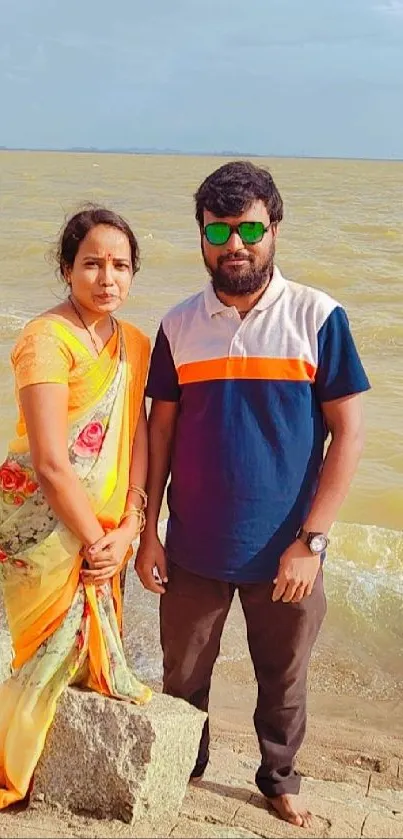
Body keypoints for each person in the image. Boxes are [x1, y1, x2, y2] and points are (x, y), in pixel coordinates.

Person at [136, 161, 370, 828]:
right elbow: (160, 432)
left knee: (284, 681)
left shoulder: (317, 316)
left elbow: (348, 434)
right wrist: (148, 530)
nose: (233, 244)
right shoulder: (179, 324)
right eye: (217, 228)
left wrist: (312, 540)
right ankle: (184, 767)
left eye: (247, 228)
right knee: (182, 679)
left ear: (273, 228)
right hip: (192, 549)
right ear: (202, 236)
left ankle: (278, 777)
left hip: (286, 552)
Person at [0, 206, 152, 809]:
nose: (106, 277)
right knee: (38, 652)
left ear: (134, 273)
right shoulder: (44, 339)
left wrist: (133, 524)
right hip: (40, 521)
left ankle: (58, 764)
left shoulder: (133, 344)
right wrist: (99, 542)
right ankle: (13, 764)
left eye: (119, 265)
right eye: (91, 263)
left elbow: (137, 435)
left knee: (81, 657)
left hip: (106, 526)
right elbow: (49, 461)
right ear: (67, 270)